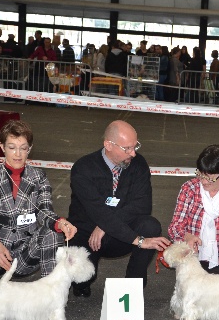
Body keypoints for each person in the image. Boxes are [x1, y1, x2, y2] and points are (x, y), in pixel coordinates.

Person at [0, 120, 77, 320]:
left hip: (23, 252)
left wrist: (60, 223)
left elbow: (45, 211)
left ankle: (51, 302)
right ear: (2, 147)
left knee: (52, 234)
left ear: (30, 149)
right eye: (12, 148)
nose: (18, 154)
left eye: (23, 148)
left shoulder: (38, 177)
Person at [67, 120, 170, 297]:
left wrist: (104, 226)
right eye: (127, 148)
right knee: (81, 279)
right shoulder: (83, 168)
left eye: (135, 146)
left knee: (150, 226)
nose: (134, 153)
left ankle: (132, 288)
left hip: (118, 235)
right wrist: (137, 240)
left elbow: (142, 205)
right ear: (108, 144)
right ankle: (82, 284)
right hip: (88, 234)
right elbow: (97, 211)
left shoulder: (138, 164)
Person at [168, 144, 219, 282]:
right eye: (201, 174)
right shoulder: (189, 189)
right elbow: (175, 227)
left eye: (210, 177)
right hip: (192, 260)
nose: (203, 181)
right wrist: (186, 236)